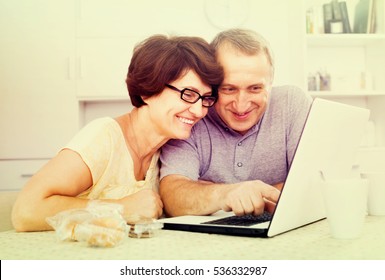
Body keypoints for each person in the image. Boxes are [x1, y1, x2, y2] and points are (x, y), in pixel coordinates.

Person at [12, 34, 224, 232]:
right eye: (188, 94)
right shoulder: (104, 137)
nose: (199, 111)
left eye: (205, 98)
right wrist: (121, 207)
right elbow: (25, 210)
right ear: (148, 91)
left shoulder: (170, 148)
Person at [159, 28, 313, 217]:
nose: (241, 106)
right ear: (213, 85)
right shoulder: (191, 115)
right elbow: (173, 198)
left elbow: (311, 184)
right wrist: (228, 194)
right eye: (229, 89)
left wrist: (208, 193)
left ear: (271, 83)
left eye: (255, 88)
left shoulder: (292, 103)